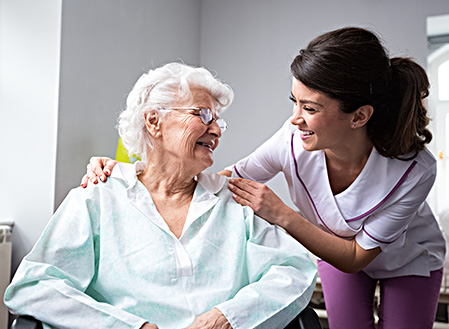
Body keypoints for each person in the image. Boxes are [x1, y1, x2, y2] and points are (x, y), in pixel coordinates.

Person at [82, 27, 446, 329]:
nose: (294, 118)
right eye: (295, 101)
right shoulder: (292, 141)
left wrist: (281, 213)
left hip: (406, 259)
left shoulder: (415, 170)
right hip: (333, 254)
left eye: (310, 108)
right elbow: (224, 182)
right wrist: (132, 174)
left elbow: (354, 257)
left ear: (359, 116)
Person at [4, 63, 317, 329]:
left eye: (219, 121)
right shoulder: (97, 198)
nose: (217, 130)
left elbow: (295, 271)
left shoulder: (235, 201)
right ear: (154, 121)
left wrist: (226, 318)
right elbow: (35, 286)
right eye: (204, 114)